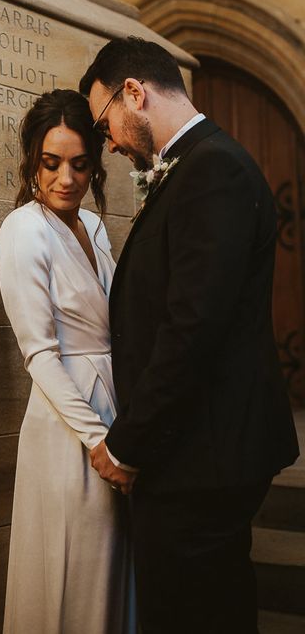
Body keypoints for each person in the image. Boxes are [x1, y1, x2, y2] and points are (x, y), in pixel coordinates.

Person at [79, 36, 300, 634]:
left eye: (106, 126)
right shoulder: (198, 166)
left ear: (135, 92)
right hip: (200, 448)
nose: (111, 144)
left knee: (189, 612)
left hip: (201, 454)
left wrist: (129, 445)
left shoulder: (214, 170)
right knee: (211, 605)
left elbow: (192, 329)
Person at [0, 89, 136, 634]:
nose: (66, 179)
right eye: (51, 164)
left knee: (110, 565)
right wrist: (98, 440)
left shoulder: (96, 229)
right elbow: (39, 354)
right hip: (67, 425)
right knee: (70, 569)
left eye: (80, 165)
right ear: (32, 159)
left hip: (117, 411)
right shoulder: (23, 230)